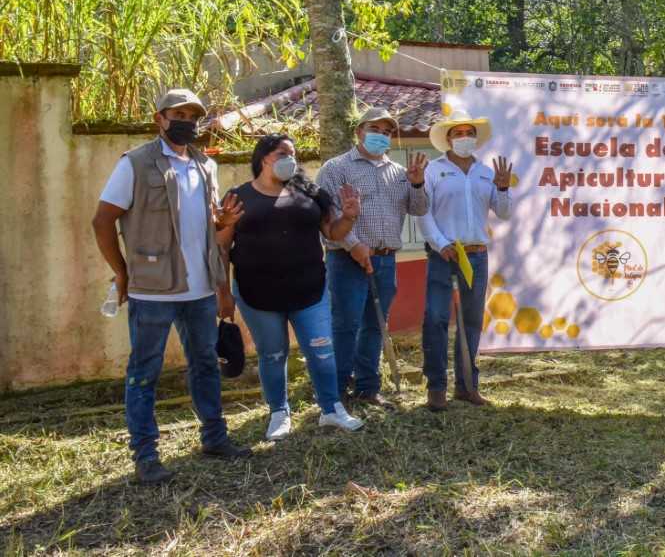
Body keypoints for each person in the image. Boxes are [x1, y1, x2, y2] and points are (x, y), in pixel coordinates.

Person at [90, 88, 252, 484]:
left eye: (192, 115)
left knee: (205, 368)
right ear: (159, 118)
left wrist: (224, 233)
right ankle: (146, 456)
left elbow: (206, 229)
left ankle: (215, 438)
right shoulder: (136, 163)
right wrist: (123, 272)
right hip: (153, 293)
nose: (186, 121)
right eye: (177, 113)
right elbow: (101, 221)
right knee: (144, 373)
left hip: (199, 291)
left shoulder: (203, 165)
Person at [217, 134, 366, 440]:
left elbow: (333, 232)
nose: (290, 159)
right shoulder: (238, 196)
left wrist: (349, 218)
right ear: (263, 158)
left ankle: (331, 409)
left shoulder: (310, 193)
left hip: (309, 289)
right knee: (272, 354)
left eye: (293, 154)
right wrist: (223, 292)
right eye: (282, 153)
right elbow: (221, 246)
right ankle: (279, 412)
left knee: (321, 350)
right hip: (257, 294)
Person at [316, 107, 428, 409]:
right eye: (375, 129)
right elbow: (327, 215)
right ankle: (336, 392)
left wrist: (417, 184)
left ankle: (368, 388)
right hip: (347, 261)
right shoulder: (336, 168)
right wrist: (353, 245)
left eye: (387, 131)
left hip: (385, 259)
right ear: (359, 132)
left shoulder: (398, 173)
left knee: (375, 325)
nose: (382, 135)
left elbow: (418, 209)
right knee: (345, 325)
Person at [416, 112, 513, 411]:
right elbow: (422, 213)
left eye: (469, 132)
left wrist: (503, 188)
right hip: (443, 254)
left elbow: (504, 212)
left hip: (476, 255)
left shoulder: (486, 172)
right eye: (457, 133)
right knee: (436, 318)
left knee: (471, 322)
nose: (464, 138)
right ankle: (436, 388)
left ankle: (468, 386)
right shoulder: (433, 170)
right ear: (448, 139)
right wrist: (442, 244)